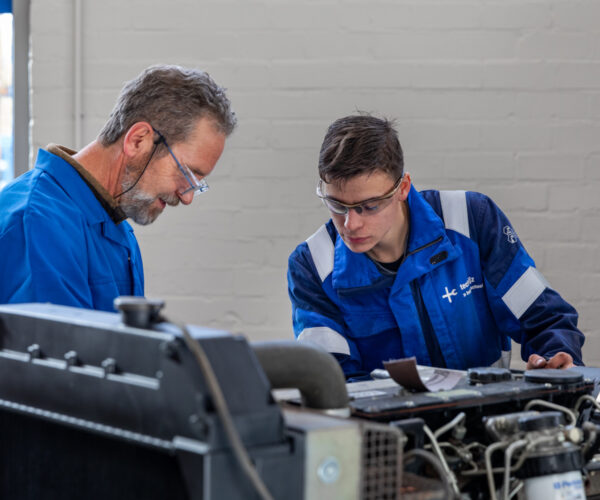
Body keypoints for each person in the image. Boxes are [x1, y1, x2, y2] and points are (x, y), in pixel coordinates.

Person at [287, 114, 584, 379]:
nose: (350, 224)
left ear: (402, 188)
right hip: (384, 435)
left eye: (369, 206)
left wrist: (554, 359)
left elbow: (545, 318)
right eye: (336, 205)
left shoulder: (472, 221)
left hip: (489, 423)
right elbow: (328, 382)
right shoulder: (312, 266)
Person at [0, 65, 236, 312]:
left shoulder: (117, 226)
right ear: (138, 141)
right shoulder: (39, 222)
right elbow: (57, 347)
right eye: (187, 172)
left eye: (197, 184)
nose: (187, 197)